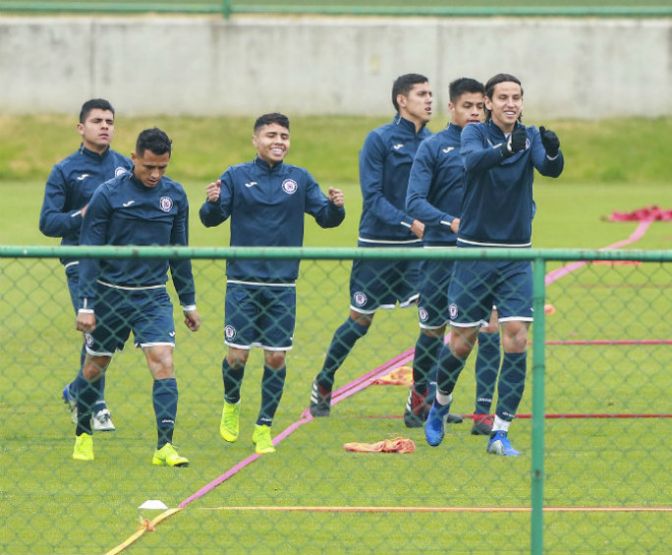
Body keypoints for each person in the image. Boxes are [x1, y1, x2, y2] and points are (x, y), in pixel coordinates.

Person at [424, 73, 564, 456]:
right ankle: (440, 403)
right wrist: (505, 148)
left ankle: (500, 432)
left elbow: (549, 168)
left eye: (516, 97)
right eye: (503, 97)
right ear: (488, 101)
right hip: (474, 252)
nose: (511, 104)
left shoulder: (529, 134)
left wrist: (552, 151)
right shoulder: (474, 135)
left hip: (517, 254)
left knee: (517, 335)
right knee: (462, 340)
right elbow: (472, 163)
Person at [200, 113, 346, 454]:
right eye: (271, 135)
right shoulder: (236, 176)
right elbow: (211, 219)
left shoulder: (300, 178)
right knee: (237, 357)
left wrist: (337, 207)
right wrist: (210, 202)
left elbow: (326, 219)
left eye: (283, 136)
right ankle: (231, 404)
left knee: (276, 358)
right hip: (242, 281)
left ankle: (264, 427)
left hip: (282, 285)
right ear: (255, 140)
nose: (278, 141)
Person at [309, 73, 441, 418]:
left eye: (431, 93)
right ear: (402, 100)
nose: (430, 100)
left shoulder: (433, 143)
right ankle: (324, 380)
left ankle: (421, 395)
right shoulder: (379, 140)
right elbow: (373, 197)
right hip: (378, 246)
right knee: (360, 321)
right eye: (422, 94)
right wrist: (409, 222)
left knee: (433, 321)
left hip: (418, 249)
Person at [71, 128, 200, 466]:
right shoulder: (108, 194)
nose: (155, 175)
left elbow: (179, 252)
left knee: (163, 362)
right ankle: (83, 434)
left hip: (152, 298)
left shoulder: (175, 196)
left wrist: (189, 302)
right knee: (95, 366)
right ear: (133, 159)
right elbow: (89, 252)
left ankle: (164, 447)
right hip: (110, 296)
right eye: (148, 167)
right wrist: (86, 305)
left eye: (162, 168)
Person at [403, 77, 502, 435]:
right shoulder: (432, 148)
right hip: (441, 253)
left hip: (482, 255)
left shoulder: (497, 147)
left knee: (488, 328)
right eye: (468, 107)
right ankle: (421, 400)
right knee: (434, 329)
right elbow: (413, 202)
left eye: (480, 106)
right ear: (453, 108)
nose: (475, 113)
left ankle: (482, 414)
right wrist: (449, 222)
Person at [40, 98, 132, 432]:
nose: (105, 126)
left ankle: (77, 391)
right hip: (80, 259)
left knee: (110, 331)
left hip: (118, 263)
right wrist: (81, 216)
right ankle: (97, 405)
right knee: (94, 325)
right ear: (81, 128)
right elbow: (48, 223)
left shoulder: (126, 167)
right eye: (97, 121)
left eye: (109, 120)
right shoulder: (64, 170)